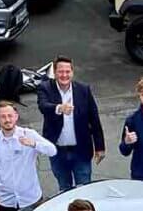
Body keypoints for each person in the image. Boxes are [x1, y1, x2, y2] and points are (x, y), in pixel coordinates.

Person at [36, 55, 105, 191]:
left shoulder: (83, 90)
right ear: (54, 73)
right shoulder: (45, 88)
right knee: (64, 189)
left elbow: (94, 119)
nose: (64, 75)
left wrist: (100, 147)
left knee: (84, 189)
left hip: (81, 150)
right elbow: (43, 106)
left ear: (72, 72)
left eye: (67, 71)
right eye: (60, 71)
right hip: (58, 152)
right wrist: (59, 108)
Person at [0, 101, 58, 211]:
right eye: (3, 117)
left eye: (10, 115)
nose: (7, 119)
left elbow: (52, 150)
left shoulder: (29, 134)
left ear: (16, 116)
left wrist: (34, 144)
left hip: (30, 198)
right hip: (6, 201)